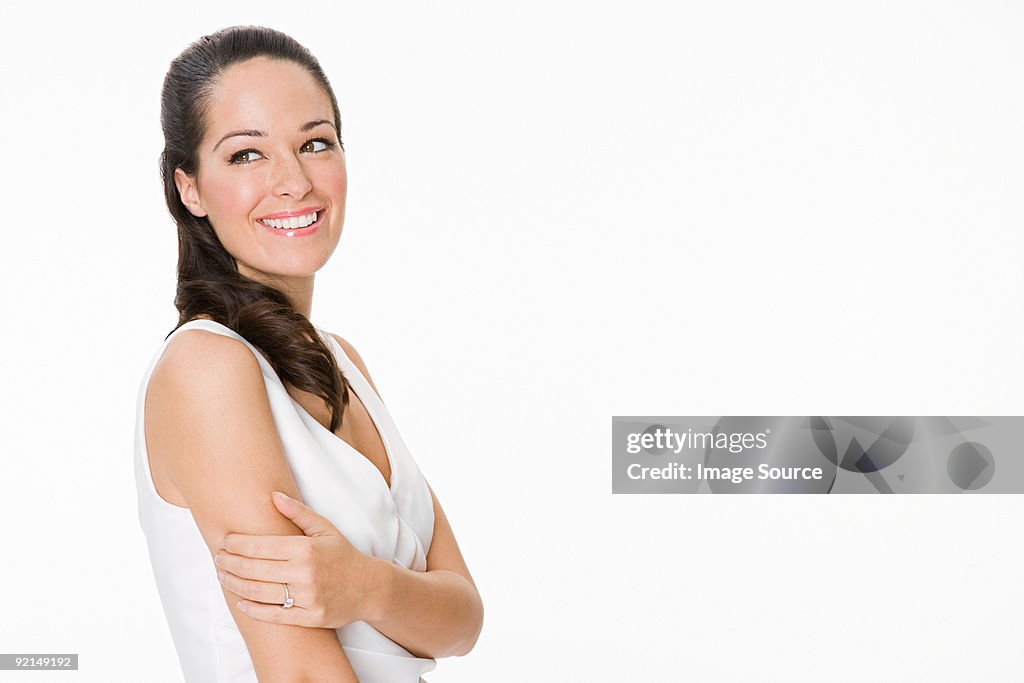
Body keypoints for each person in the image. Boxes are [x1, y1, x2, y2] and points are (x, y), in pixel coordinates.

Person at [133, 25, 483, 682]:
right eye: (246, 155)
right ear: (190, 189)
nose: (293, 181)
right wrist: (398, 598)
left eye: (314, 143)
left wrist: (365, 587)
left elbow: (464, 618)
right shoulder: (206, 369)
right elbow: (300, 672)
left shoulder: (344, 360)